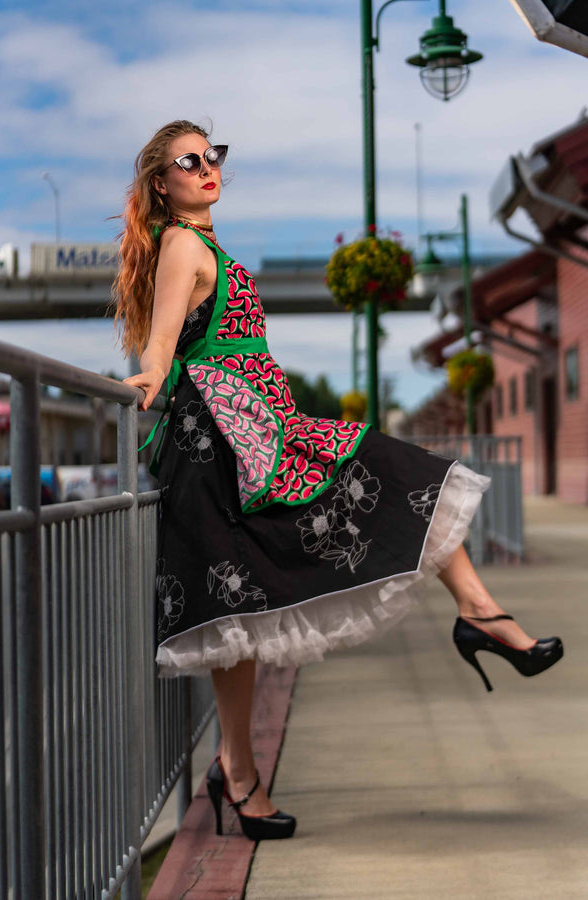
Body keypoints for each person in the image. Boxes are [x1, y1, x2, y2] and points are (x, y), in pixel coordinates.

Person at [114, 119, 563, 841]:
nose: (206, 167)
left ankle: (477, 610)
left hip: (261, 427)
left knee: (288, 564)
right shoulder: (182, 244)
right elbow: (162, 341)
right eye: (187, 162)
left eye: (210, 155)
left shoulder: (206, 245)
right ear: (162, 185)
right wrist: (149, 375)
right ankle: (239, 772)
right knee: (238, 609)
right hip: (222, 439)